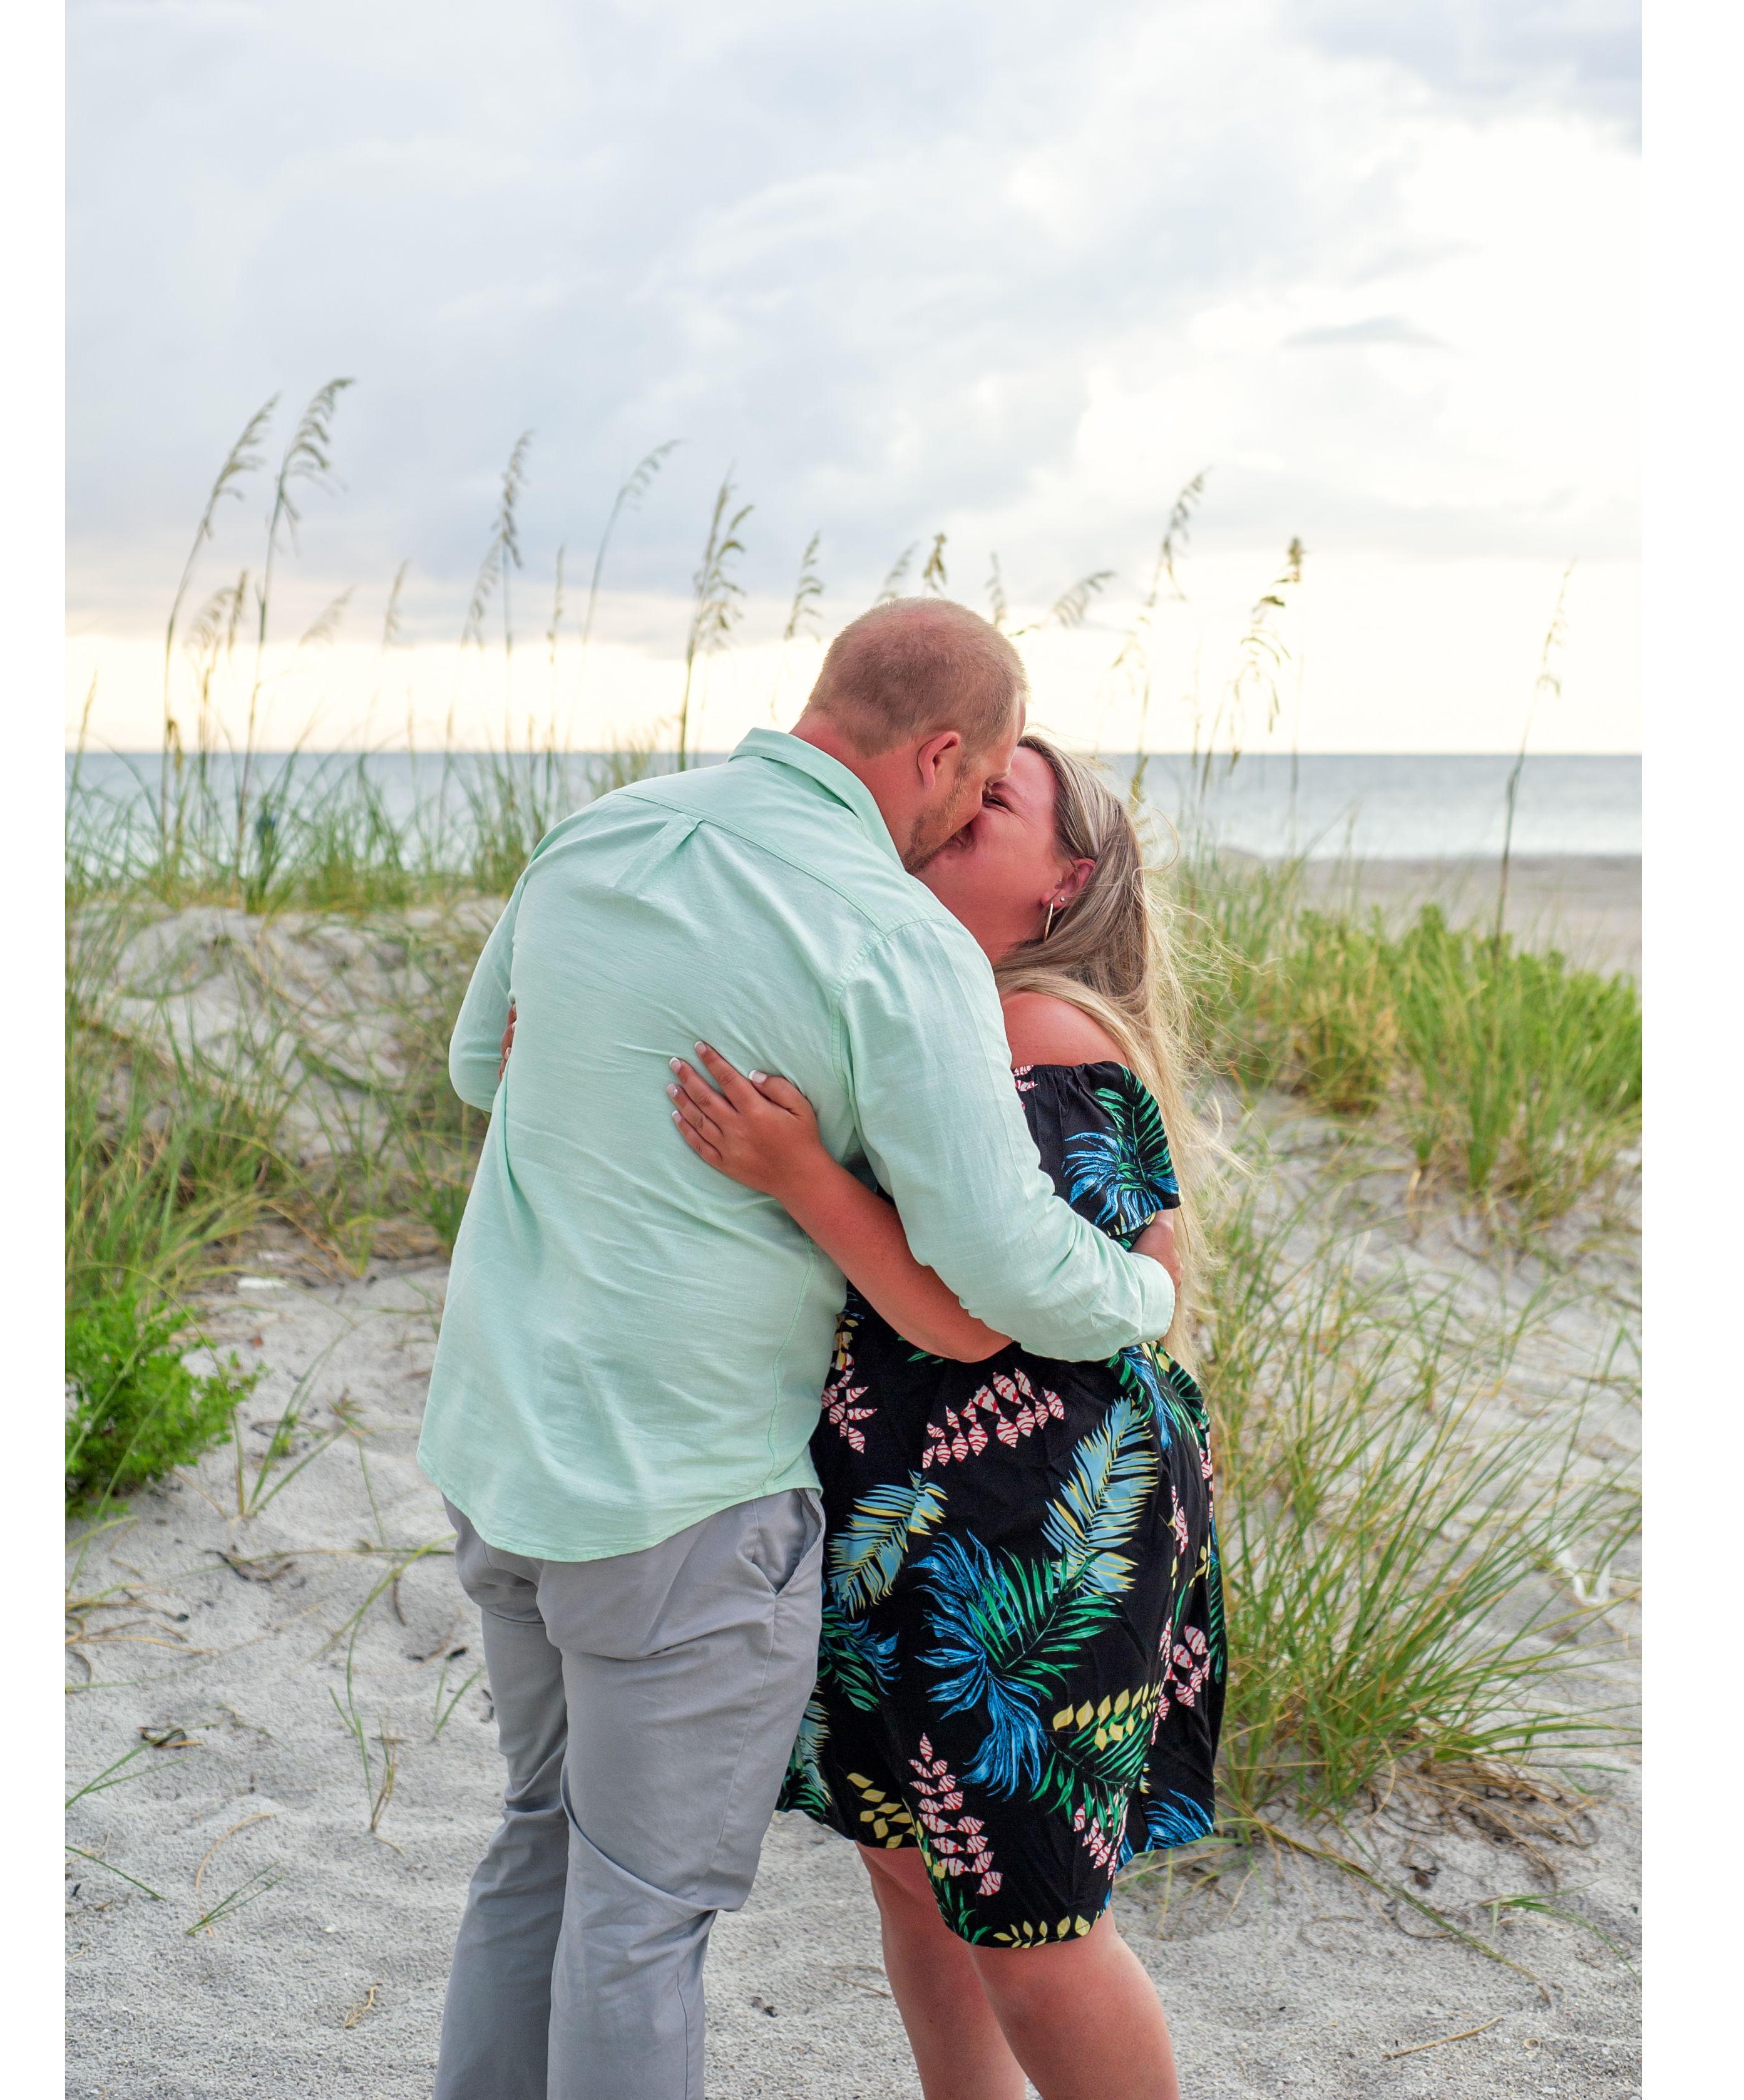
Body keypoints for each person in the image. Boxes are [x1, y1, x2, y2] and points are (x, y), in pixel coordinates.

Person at [418, 600, 1178, 2100]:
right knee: (639, 1918)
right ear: (942, 754)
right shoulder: (889, 937)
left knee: (537, 1845)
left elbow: (476, 1065)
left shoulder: (600, 834)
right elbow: (1002, 1272)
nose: (968, 812)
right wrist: (1147, 1296)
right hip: (678, 1492)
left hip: (501, 1447)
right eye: (983, 781)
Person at [667, 733, 1224, 2100]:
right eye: (963, 779)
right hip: (906, 1498)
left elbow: (994, 1301)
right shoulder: (926, 1000)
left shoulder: (1038, 1030)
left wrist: (801, 1172)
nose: (965, 797)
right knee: (915, 1880)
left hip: (1031, 1519)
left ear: (1067, 878)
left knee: (1034, 1922)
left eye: (1000, 795)